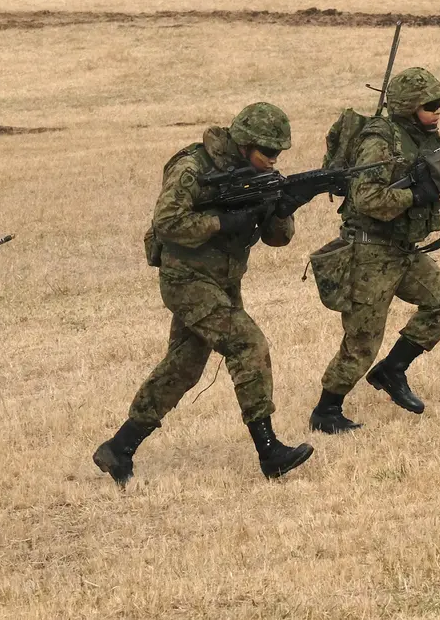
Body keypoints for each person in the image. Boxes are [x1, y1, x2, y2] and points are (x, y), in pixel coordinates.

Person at [93, 102, 313, 485]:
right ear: (244, 144)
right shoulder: (193, 168)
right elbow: (167, 222)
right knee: (249, 345)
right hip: (187, 280)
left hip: (224, 281)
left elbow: (279, 239)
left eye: (279, 154)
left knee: (183, 368)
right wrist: (224, 221)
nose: (273, 161)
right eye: (267, 153)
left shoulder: (258, 175)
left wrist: (281, 209)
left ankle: (118, 448)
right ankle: (269, 451)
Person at [308, 67, 440, 435]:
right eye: (431, 104)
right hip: (370, 254)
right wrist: (416, 195)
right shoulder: (379, 142)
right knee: (363, 341)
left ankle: (393, 369)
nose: (438, 110)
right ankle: (326, 410)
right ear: (409, 107)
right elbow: (366, 199)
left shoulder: (424, 137)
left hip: (403, 250)